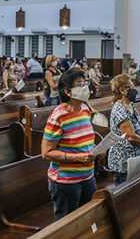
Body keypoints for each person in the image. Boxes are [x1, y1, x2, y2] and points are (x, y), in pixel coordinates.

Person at [41, 68, 103, 220]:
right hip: (66, 181)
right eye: (79, 84)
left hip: (88, 176)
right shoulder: (58, 117)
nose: (84, 87)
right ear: (68, 92)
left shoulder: (84, 110)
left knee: (87, 220)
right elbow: (46, 152)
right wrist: (78, 158)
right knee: (67, 226)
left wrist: (97, 151)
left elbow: (84, 141)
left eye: (85, 83)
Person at [108, 74, 140, 185]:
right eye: (130, 87)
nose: (134, 90)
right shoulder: (119, 110)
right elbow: (130, 136)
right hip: (123, 161)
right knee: (124, 195)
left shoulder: (131, 105)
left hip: (136, 158)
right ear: (122, 90)